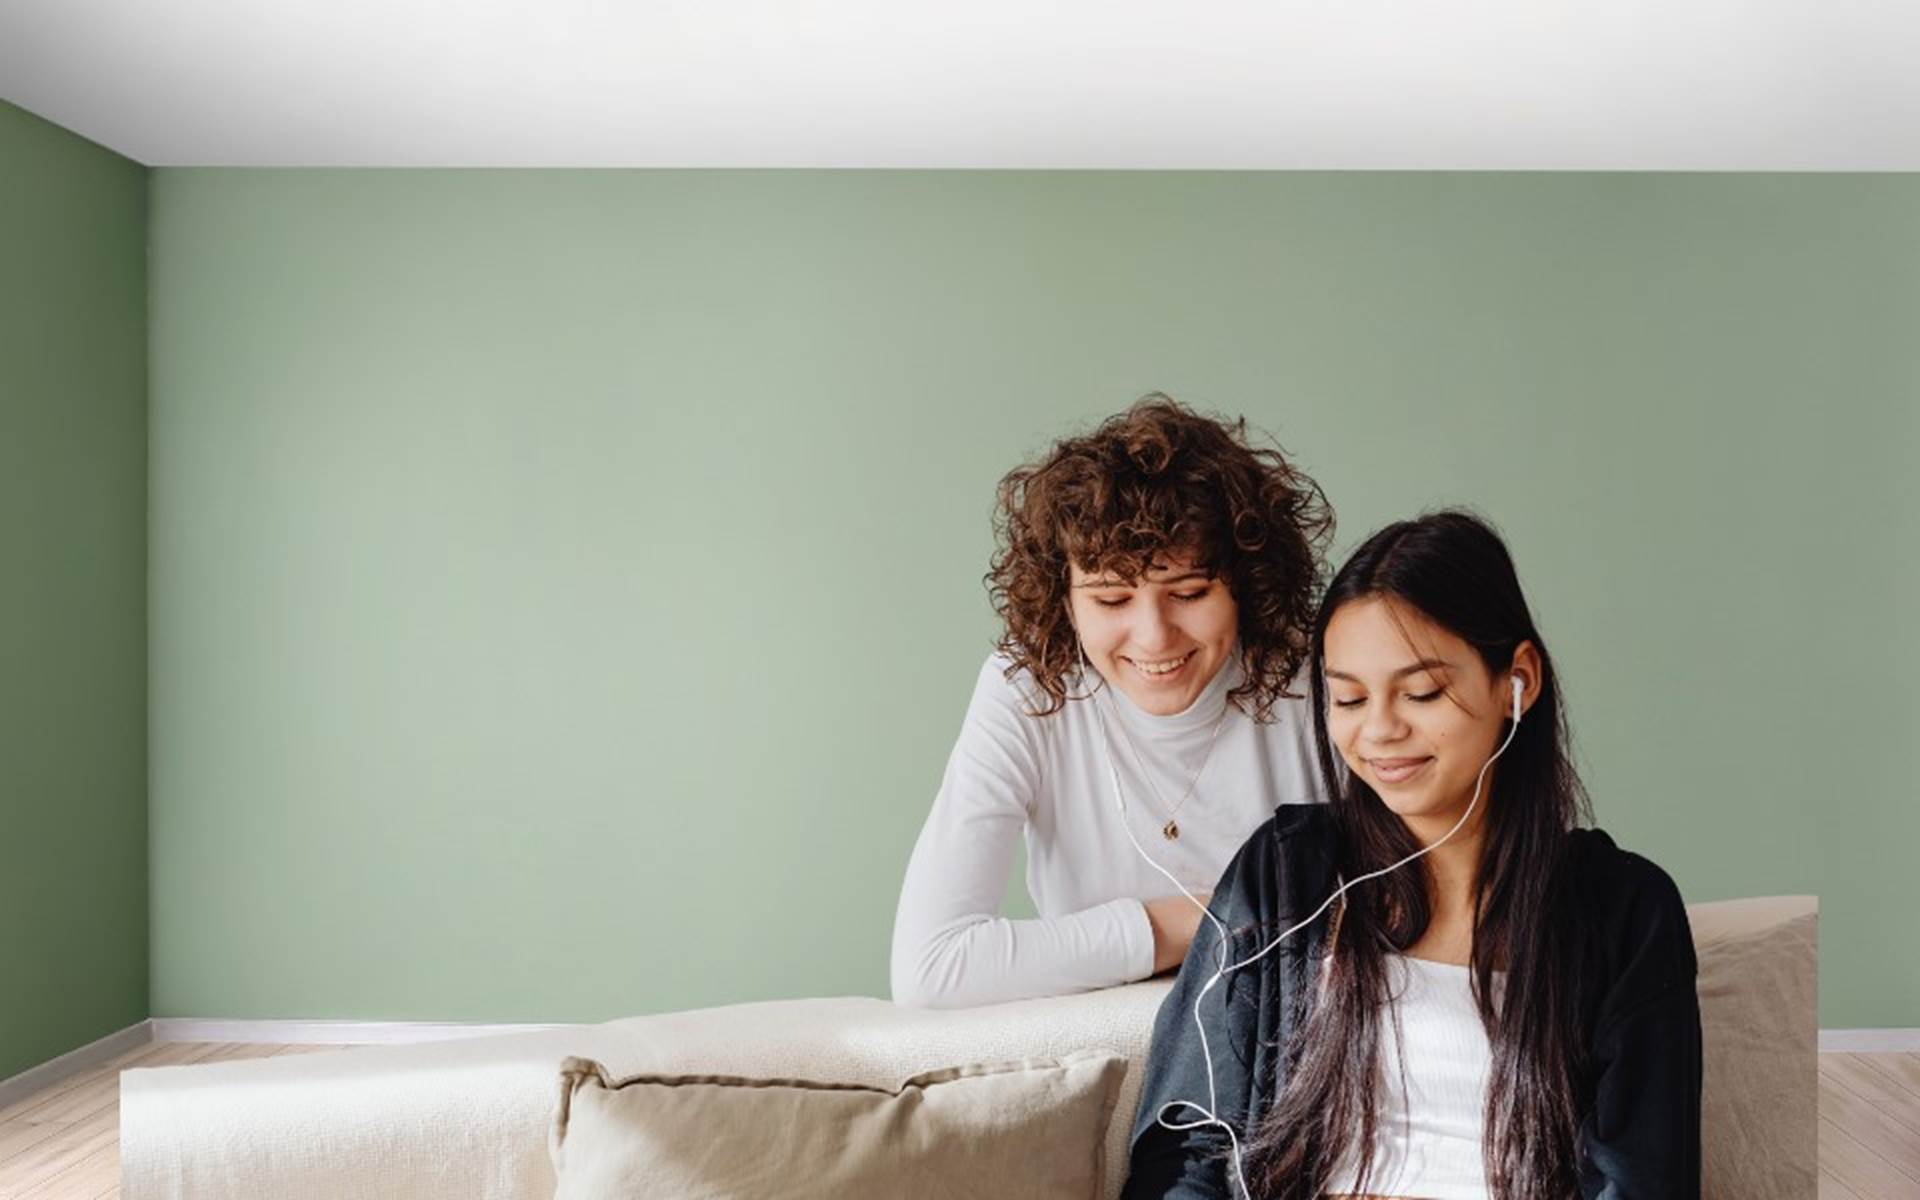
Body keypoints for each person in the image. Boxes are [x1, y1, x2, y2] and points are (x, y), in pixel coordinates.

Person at [1122, 510, 1702, 1200]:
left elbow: (1643, 1180)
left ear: (1517, 681)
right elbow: (1186, 1150)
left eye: (1421, 692)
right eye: (1348, 697)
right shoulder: (1286, 875)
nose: (1380, 731)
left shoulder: (1624, 912)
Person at [889, 395, 1335, 1009]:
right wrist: (1218, 916)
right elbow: (931, 967)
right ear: (1064, 600)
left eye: (1190, 591)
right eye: (1110, 600)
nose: (1154, 637)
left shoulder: (1316, 675)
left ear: (1246, 586)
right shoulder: (1028, 689)